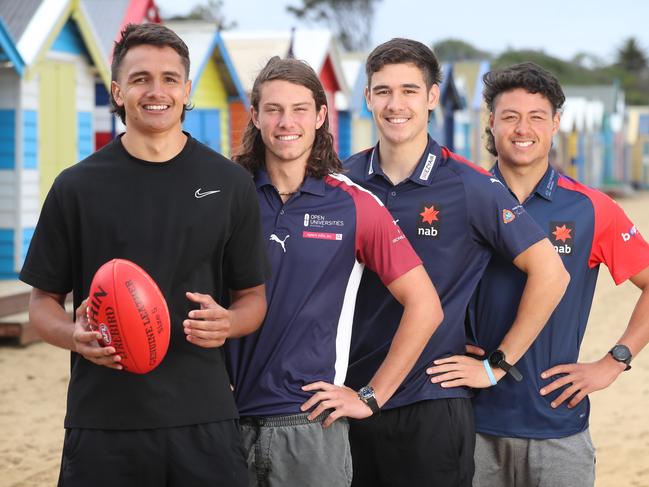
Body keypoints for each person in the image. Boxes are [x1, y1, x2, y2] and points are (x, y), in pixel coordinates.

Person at [19, 23, 268, 487]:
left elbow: (252, 297)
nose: (157, 91)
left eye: (170, 79)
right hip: (103, 423)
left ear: (187, 89)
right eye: (140, 79)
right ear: (117, 90)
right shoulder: (76, 187)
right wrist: (74, 336)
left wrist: (230, 323)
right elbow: (42, 303)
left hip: (204, 420)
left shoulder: (230, 184)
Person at [343, 39, 570, 486]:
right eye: (383, 91)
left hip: (431, 404)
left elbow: (551, 272)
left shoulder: (470, 187)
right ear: (367, 97)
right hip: (347, 395)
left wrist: (497, 365)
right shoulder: (342, 181)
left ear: (431, 98)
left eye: (409, 90)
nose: (395, 104)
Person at [227, 56, 443, 487]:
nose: (286, 122)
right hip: (221, 420)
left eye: (300, 109)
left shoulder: (354, 204)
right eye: (273, 109)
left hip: (308, 426)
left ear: (321, 115)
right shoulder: (227, 195)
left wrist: (371, 395)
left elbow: (425, 306)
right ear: (255, 116)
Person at [467, 62, 649, 487]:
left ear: (556, 125)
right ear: (491, 123)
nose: (522, 128)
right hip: (469, 421)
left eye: (536, 117)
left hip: (557, 428)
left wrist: (614, 361)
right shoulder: (463, 199)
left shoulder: (590, 208)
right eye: (510, 116)